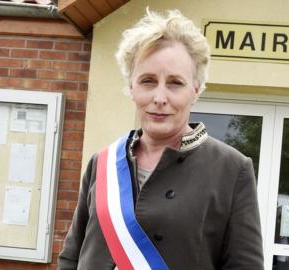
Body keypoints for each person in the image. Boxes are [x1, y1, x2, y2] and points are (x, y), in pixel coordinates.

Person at [58, 9, 263, 270]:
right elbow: (71, 257)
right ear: (131, 86)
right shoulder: (103, 162)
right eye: (148, 81)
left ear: (196, 90)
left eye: (175, 83)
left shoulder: (232, 169)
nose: (159, 97)